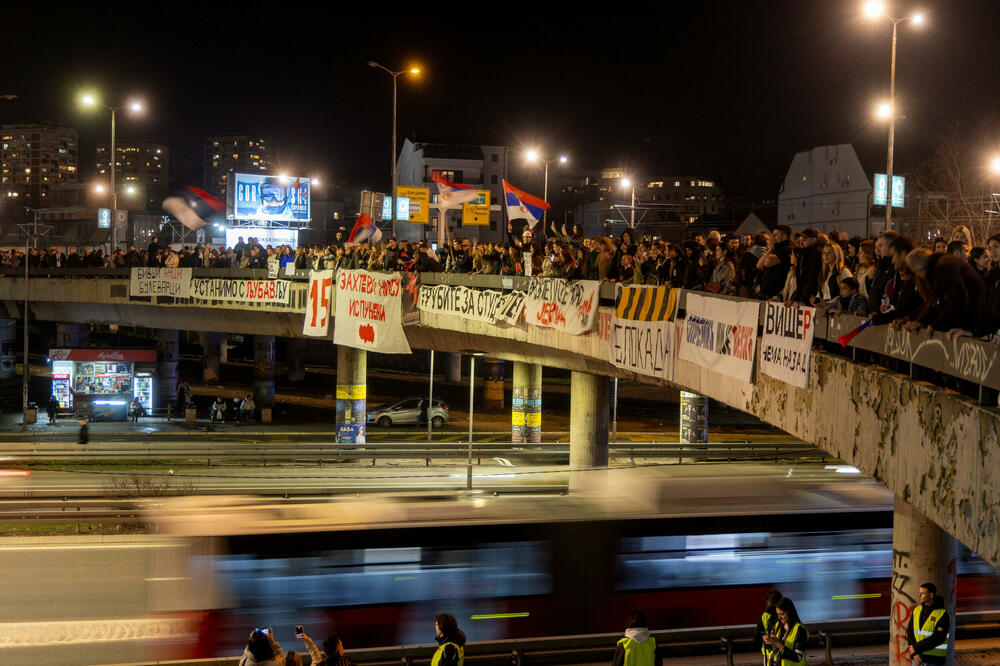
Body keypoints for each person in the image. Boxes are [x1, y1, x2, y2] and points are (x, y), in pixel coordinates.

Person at [904, 582, 950, 665]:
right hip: (917, 658)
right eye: (919, 593)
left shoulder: (942, 614)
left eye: (922, 593)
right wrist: (914, 652)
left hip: (934, 660)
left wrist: (916, 648)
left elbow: (938, 637)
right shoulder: (917, 610)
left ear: (931, 595)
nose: (919, 595)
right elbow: (910, 631)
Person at [762, 598, 807, 666]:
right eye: (778, 614)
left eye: (782, 614)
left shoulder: (800, 630)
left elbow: (798, 657)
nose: (779, 617)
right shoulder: (777, 625)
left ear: (790, 613)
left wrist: (778, 643)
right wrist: (768, 641)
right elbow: (772, 648)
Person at [754, 589, 782, 666]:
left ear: (768, 602)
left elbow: (757, 637)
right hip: (783, 652)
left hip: (768, 652)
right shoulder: (784, 614)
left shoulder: (764, 615)